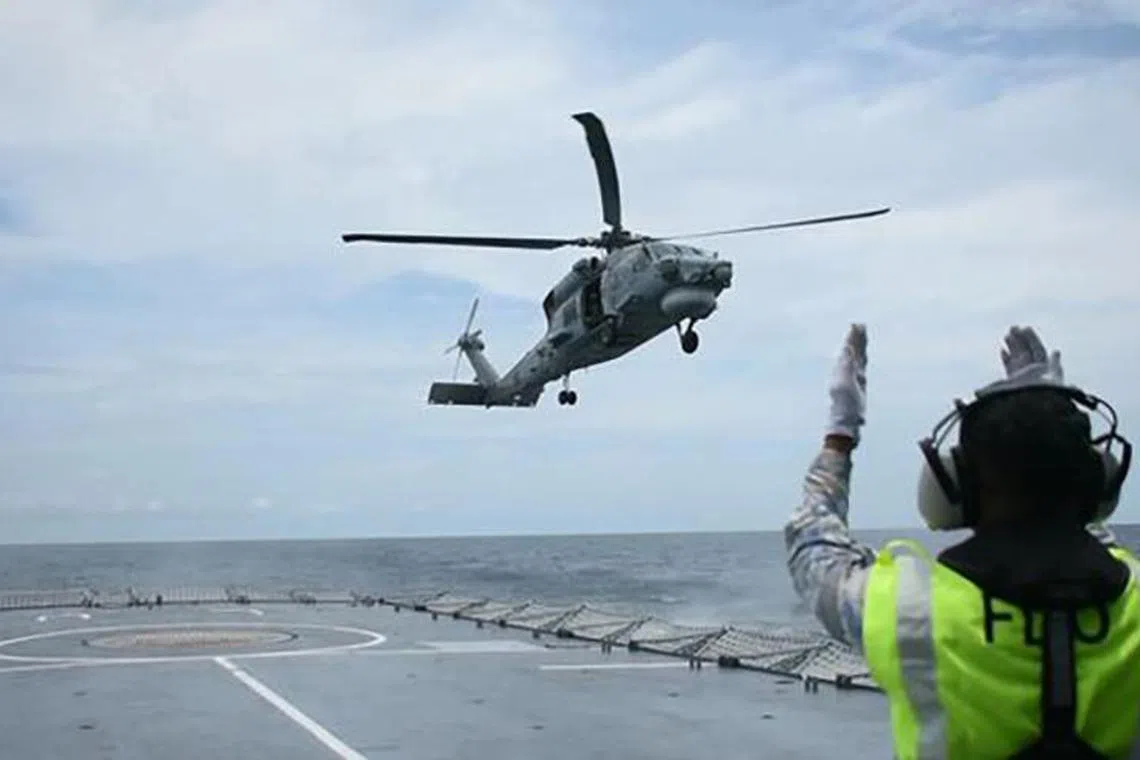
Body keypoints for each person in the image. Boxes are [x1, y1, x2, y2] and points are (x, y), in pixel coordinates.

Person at [784, 324, 1140, 759]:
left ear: (956, 485)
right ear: (1097, 480)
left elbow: (812, 549)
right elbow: (1093, 537)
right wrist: (1053, 428)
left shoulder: (911, 613)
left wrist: (840, 435)